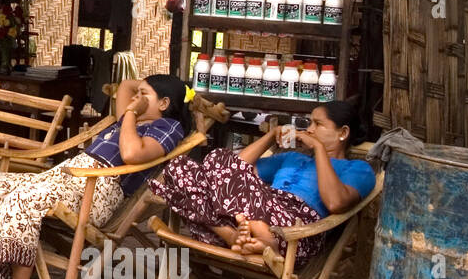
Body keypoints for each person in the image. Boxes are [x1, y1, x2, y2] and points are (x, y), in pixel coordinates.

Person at [0, 75, 191, 279]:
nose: (135, 98)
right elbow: (126, 84)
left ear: (165, 103)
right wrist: (148, 94)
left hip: (99, 188)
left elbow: (131, 153)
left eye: (144, 95)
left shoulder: (167, 127)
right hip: (67, 175)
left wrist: (134, 112)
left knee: (23, 199)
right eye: (138, 94)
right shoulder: (130, 119)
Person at [149, 100, 375, 268]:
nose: (310, 129)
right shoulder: (293, 158)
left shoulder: (358, 169)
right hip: (258, 209)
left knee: (219, 166)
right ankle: (235, 234)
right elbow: (234, 168)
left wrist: (318, 149)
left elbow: (335, 203)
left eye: (318, 124)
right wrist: (271, 136)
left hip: (296, 232)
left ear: (343, 132)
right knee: (181, 166)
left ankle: (257, 235)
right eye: (309, 123)